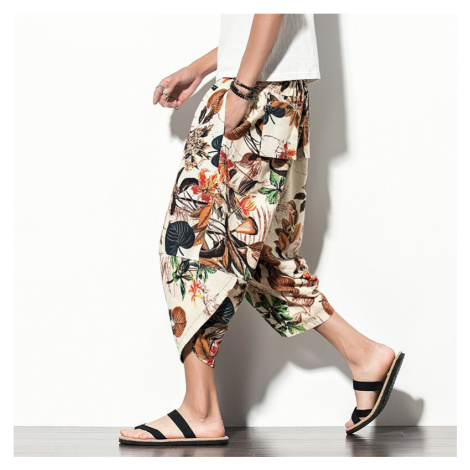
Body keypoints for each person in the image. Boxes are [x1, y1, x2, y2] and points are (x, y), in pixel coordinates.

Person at [119, 14, 404, 446]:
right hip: (273, 92)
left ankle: (200, 411)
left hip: (259, 95)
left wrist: (241, 89)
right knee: (259, 257)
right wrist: (201, 68)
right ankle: (365, 357)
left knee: (190, 246)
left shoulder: (248, 90)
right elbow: (268, 24)